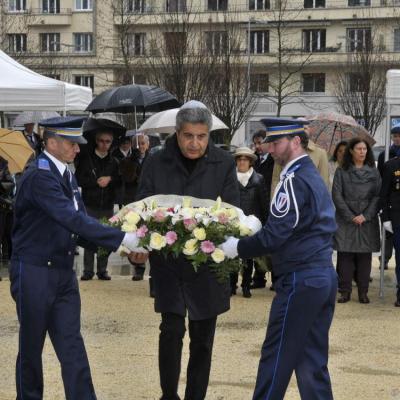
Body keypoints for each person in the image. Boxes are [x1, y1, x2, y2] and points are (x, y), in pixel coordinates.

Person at [9, 119, 139, 400]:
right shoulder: (40, 176)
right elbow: (72, 218)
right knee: (31, 349)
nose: (78, 150)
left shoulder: (66, 176)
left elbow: (78, 228)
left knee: (72, 347)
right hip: (34, 272)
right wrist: (121, 239)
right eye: (71, 144)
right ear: (51, 142)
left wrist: (122, 246)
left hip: (62, 272)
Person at [129, 101, 240, 400]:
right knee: (171, 331)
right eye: (188, 136)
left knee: (203, 340)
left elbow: (233, 212)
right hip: (169, 264)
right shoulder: (155, 161)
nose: (195, 143)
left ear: (209, 135)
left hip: (207, 265)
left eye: (201, 136)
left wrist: (220, 236)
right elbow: (142, 208)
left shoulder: (224, 162)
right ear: (177, 134)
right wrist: (137, 248)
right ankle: (168, 394)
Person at [220, 119, 337, 400]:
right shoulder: (311, 176)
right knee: (311, 360)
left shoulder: (294, 179)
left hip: (300, 277)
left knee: (277, 357)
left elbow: (277, 235)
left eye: (276, 142)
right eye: (269, 142)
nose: (269, 148)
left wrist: (237, 246)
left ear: (296, 142)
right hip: (320, 275)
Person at [333, 138, 381, 304]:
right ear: (351, 151)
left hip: (367, 220)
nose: (362, 152)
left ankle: (363, 292)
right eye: (359, 149)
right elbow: (337, 196)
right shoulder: (341, 171)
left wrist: (365, 215)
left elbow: (377, 196)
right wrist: (350, 216)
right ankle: (345, 291)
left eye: (364, 149)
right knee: (345, 255)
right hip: (346, 219)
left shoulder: (374, 172)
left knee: (364, 257)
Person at [75, 130, 120, 281]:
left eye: (108, 141)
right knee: (88, 235)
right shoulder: (87, 159)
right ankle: (88, 270)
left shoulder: (114, 162)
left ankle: (102, 269)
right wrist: (95, 182)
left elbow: (120, 181)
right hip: (90, 203)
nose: (104, 144)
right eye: (101, 140)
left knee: (104, 236)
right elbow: (79, 179)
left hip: (107, 204)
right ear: (96, 141)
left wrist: (110, 179)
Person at [230, 146, 268, 298]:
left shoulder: (258, 179)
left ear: (251, 162)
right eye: (239, 159)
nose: (242, 162)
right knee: (232, 253)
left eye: (245, 159)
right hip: (233, 221)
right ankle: (231, 285)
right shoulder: (230, 178)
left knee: (248, 255)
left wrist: (265, 222)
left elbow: (264, 202)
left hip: (252, 222)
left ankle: (246, 285)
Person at [251, 130, 275, 290]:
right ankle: (259, 277)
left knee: (274, 244)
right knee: (257, 242)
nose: (257, 146)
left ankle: (277, 278)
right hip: (256, 206)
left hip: (271, 204)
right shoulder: (253, 160)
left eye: (260, 143)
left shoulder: (275, 161)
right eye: (255, 143)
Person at [377, 126, 400, 269]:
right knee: (387, 235)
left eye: (399, 136)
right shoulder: (385, 155)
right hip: (390, 203)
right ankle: (384, 258)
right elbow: (381, 179)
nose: (397, 138)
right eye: (394, 136)